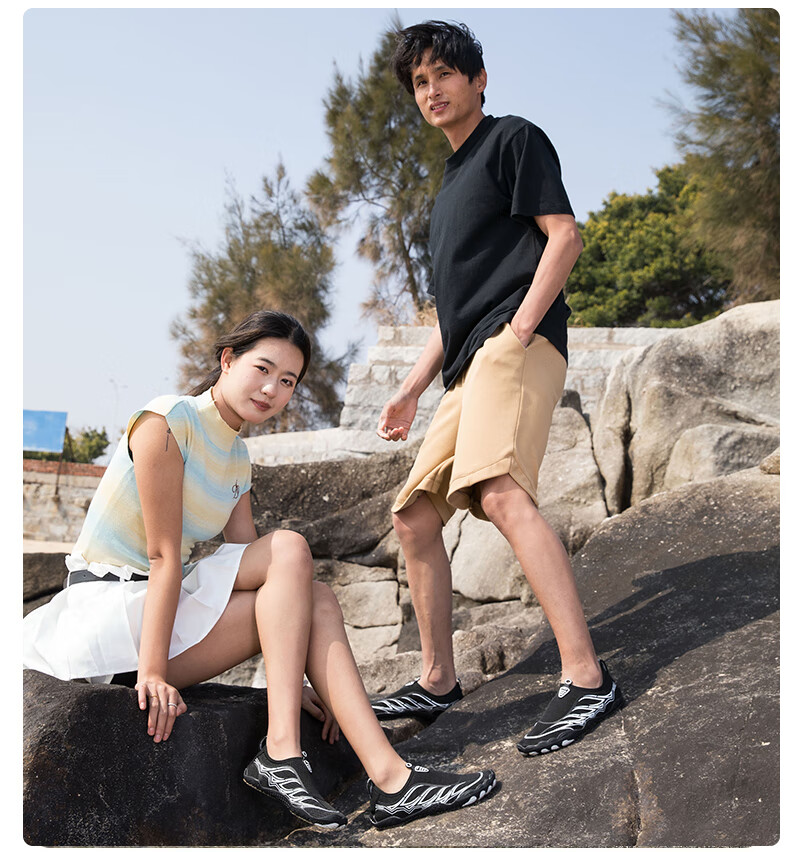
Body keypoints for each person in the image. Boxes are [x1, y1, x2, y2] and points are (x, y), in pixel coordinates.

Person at [23, 309, 496, 829]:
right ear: (228, 359)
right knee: (289, 548)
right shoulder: (166, 421)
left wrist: (298, 670)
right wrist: (153, 675)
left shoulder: (236, 457)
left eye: (288, 381)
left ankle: (391, 780)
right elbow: (163, 557)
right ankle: (282, 750)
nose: (272, 389)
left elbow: (258, 570)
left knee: (314, 597)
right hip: (110, 619)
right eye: (263, 369)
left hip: (161, 614)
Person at [372, 21, 624, 756]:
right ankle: (438, 680)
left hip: (516, 346)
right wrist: (412, 388)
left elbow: (564, 235)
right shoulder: (447, 190)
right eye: (420, 82)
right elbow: (454, 314)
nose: (432, 91)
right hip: (469, 364)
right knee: (413, 515)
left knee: (502, 493)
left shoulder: (513, 138)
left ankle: (586, 678)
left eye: (444, 74)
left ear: (478, 79)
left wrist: (520, 329)